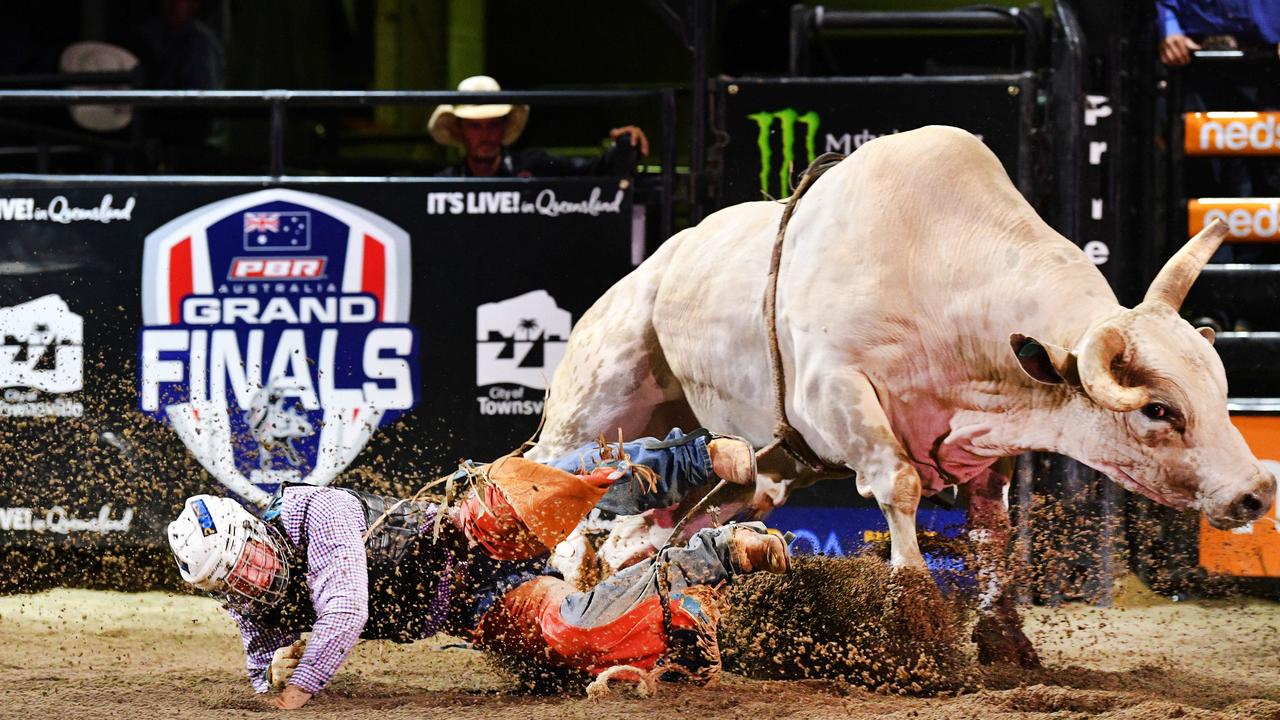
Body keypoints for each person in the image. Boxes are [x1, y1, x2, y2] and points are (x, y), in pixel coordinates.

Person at [167, 429, 788, 710]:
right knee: (571, 635)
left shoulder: (313, 509)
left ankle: (687, 458)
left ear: (254, 529)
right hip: (477, 605)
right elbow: (258, 666)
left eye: (244, 557)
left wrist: (298, 688)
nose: (248, 577)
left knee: (529, 498)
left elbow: (346, 612)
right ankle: (716, 555)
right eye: (231, 578)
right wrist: (270, 675)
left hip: (465, 531)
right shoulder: (252, 605)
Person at [429, 74, 650, 178]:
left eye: (493, 125)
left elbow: (594, 170)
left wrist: (624, 146)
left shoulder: (535, 166)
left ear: (505, 127)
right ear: (459, 130)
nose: (485, 135)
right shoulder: (443, 184)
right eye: (475, 127)